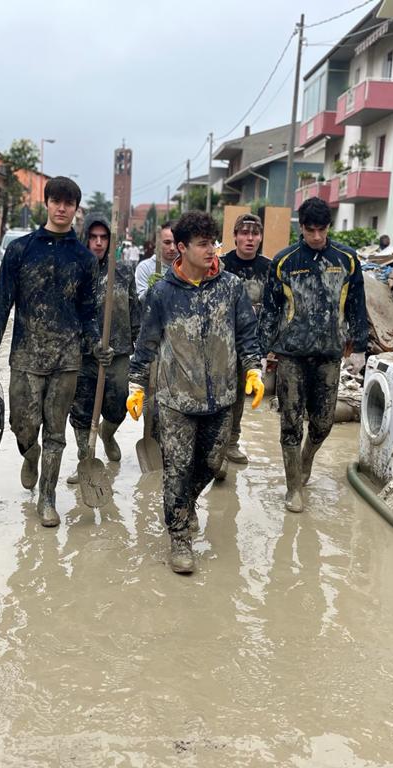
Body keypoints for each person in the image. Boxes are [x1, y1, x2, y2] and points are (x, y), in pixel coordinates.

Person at [127, 212, 264, 575]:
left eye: (213, 243)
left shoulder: (231, 288)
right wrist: (137, 386)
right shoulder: (162, 293)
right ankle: (179, 538)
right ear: (182, 247)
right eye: (202, 244)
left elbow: (248, 335)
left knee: (210, 464)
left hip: (221, 398)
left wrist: (253, 369)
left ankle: (183, 506)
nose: (211, 250)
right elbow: (146, 345)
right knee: (177, 468)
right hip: (175, 400)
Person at [0, 176, 111, 528]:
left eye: (70, 203)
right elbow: (1, 304)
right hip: (25, 355)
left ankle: (47, 497)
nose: (63, 208)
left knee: (56, 432)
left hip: (66, 359)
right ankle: (29, 455)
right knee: (23, 426)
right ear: (47, 204)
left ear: (76, 210)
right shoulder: (21, 250)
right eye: (57, 201)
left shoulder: (84, 259)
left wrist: (97, 343)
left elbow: (88, 310)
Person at [260, 197, 368, 514]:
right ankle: (294, 487)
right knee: (291, 423)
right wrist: (259, 353)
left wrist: (359, 347)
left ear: (329, 227)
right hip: (291, 355)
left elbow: (357, 305)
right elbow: (269, 311)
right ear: (301, 228)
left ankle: (306, 458)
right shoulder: (284, 262)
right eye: (311, 230)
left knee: (322, 423)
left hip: (330, 355)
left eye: (322, 230)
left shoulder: (346, 260)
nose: (317, 237)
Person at [67, 213, 140, 482]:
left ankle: (108, 435)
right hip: (83, 355)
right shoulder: (75, 272)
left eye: (104, 238)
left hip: (118, 352)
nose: (98, 243)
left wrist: (142, 349)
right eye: (93, 237)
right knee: (81, 410)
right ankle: (85, 460)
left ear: (111, 241)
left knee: (117, 407)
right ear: (85, 239)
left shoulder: (123, 272)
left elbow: (135, 312)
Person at [220, 213, 270, 466]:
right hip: (221, 342)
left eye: (255, 234)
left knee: (240, 394)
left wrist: (266, 349)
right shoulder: (221, 264)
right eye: (244, 233)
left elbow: (274, 309)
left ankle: (232, 443)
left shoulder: (268, 268)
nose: (250, 239)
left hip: (250, 344)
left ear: (260, 237)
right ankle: (213, 442)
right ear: (236, 236)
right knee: (218, 392)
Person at [134, 222, 177, 301]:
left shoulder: (186, 266)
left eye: (175, 242)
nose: (172, 248)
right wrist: (151, 289)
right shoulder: (144, 267)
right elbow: (141, 300)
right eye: (167, 242)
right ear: (157, 243)